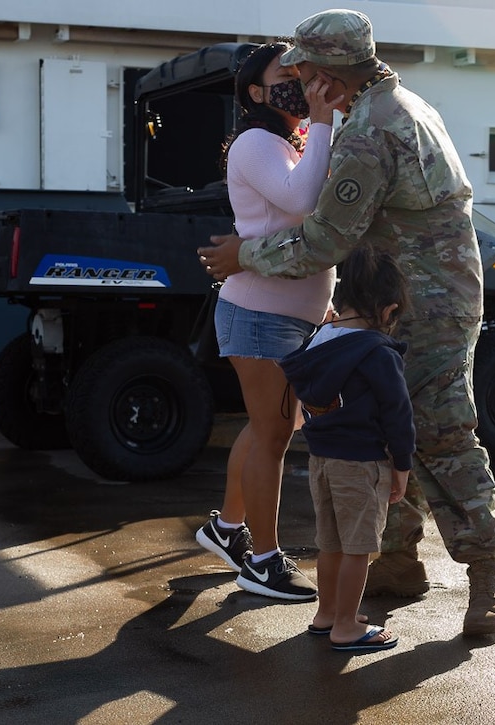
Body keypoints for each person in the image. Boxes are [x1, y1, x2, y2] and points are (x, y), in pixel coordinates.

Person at [196, 8, 495, 635]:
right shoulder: (402, 103)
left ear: (330, 72)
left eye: (304, 69)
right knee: (382, 426)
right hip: (408, 294)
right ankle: (395, 560)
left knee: (442, 430)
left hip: (428, 303)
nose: (299, 79)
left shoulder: (371, 128)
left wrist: (241, 256)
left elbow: (324, 239)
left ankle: (486, 576)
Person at [193, 41, 346, 601]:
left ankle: (226, 528)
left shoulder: (287, 140)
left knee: (268, 430)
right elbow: (303, 201)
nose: (299, 80)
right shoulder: (258, 141)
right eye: (286, 74)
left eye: (300, 71)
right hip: (260, 311)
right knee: (274, 435)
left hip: (287, 312)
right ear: (256, 92)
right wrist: (327, 119)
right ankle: (261, 561)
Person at [279, 246, 414, 653]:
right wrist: (402, 465)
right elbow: (398, 413)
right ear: (387, 311)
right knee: (359, 550)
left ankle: (327, 614)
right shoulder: (376, 352)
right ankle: (345, 627)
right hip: (362, 464)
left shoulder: (320, 339)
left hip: (321, 460)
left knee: (331, 545)